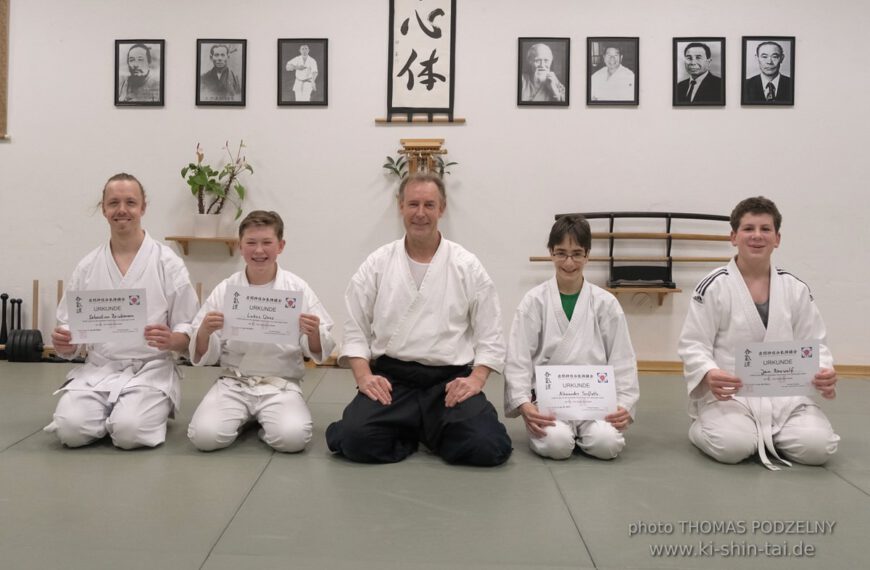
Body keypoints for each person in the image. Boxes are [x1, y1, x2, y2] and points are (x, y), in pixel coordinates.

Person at [326, 172, 512, 466]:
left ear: (442, 208)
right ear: (400, 206)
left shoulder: (466, 265)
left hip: (448, 382)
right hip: (393, 380)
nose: (421, 213)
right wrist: (364, 376)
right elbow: (355, 327)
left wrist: (476, 379)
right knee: (354, 439)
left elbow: (490, 333)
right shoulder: (378, 263)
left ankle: (418, 426)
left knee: (487, 446)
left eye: (429, 205)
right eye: (413, 204)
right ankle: (422, 429)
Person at [678, 197, 839, 470]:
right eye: (748, 228)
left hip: (784, 397)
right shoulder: (713, 287)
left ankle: (766, 434)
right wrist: (708, 373)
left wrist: (824, 371)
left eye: (765, 229)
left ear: (777, 238)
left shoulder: (795, 288)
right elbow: (694, 343)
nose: (757, 236)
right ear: (733, 237)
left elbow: (815, 343)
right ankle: (703, 426)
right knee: (733, 447)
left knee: (819, 447)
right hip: (731, 396)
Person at [46, 173, 198, 449]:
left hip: (150, 369)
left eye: (130, 202)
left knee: (130, 433)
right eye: (113, 202)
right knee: (70, 430)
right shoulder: (88, 266)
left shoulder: (167, 262)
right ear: (103, 209)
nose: (122, 210)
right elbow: (69, 328)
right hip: (100, 368)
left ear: (143, 208)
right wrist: (65, 343)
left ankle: (137, 411)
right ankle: (109, 412)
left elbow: (188, 324)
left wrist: (174, 340)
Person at [187, 211, 335, 453]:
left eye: (267, 243)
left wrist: (314, 333)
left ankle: (261, 423)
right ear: (239, 246)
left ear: (281, 246)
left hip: (280, 384)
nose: (259, 251)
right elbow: (205, 353)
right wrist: (204, 331)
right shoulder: (227, 289)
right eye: (251, 243)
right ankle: (246, 415)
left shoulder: (296, 289)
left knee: (293, 439)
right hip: (234, 382)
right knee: (204, 437)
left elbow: (320, 348)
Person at [504, 215, 639, 460]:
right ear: (550, 253)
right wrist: (524, 404)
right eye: (561, 253)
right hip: (549, 405)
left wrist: (624, 405)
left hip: (595, 405)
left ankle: (590, 432)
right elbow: (519, 357)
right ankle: (561, 432)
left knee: (606, 444)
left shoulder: (605, 304)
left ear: (588, 254)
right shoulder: (534, 302)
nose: (569, 262)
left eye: (577, 253)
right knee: (557, 445)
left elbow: (623, 358)